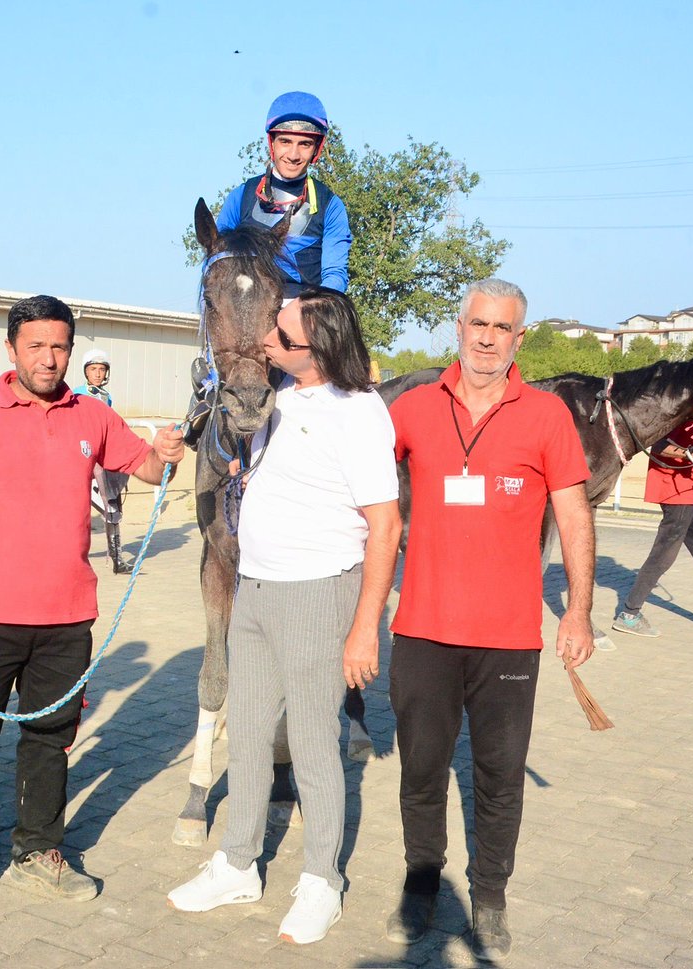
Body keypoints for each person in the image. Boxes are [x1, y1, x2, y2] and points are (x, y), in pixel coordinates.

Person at [0, 295, 185, 928]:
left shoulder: (91, 414)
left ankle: (38, 850)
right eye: (35, 345)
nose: (48, 357)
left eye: (59, 346)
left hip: (67, 618)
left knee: (50, 741)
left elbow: (141, 466)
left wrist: (164, 448)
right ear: (11, 350)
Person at [167, 290, 401, 945]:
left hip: (317, 593)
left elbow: (385, 526)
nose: (265, 338)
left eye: (279, 331)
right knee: (243, 731)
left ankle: (322, 878)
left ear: (316, 344)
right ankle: (238, 862)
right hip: (255, 590)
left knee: (312, 744)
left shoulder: (359, 413)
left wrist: (364, 626)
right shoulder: (278, 397)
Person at [385, 278, 596, 962]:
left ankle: (491, 894)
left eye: (501, 328)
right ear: (459, 325)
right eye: (478, 323)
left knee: (499, 776)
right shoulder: (413, 408)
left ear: (518, 338)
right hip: (422, 631)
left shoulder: (547, 416)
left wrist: (582, 612)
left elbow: (573, 515)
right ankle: (422, 882)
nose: (486, 337)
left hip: (509, 638)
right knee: (421, 768)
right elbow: (360, 489)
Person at [216, 91, 352, 298]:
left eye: (304, 144)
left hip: (305, 309)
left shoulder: (331, 205)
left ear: (316, 148)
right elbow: (216, 260)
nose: (294, 155)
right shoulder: (240, 197)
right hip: (247, 306)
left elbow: (335, 276)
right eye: (285, 142)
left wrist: (306, 310)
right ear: (272, 143)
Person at [613, 422, 693, 640]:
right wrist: (688, 454)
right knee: (663, 555)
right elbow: (658, 445)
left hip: (692, 492)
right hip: (677, 491)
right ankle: (629, 614)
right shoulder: (678, 413)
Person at [73, 348, 133, 574]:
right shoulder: (77, 394)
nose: (97, 374)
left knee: (112, 506)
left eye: (101, 369)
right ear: (85, 372)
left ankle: (117, 558)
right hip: (81, 457)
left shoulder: (107, 397)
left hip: (101, 458)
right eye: (93, 369)